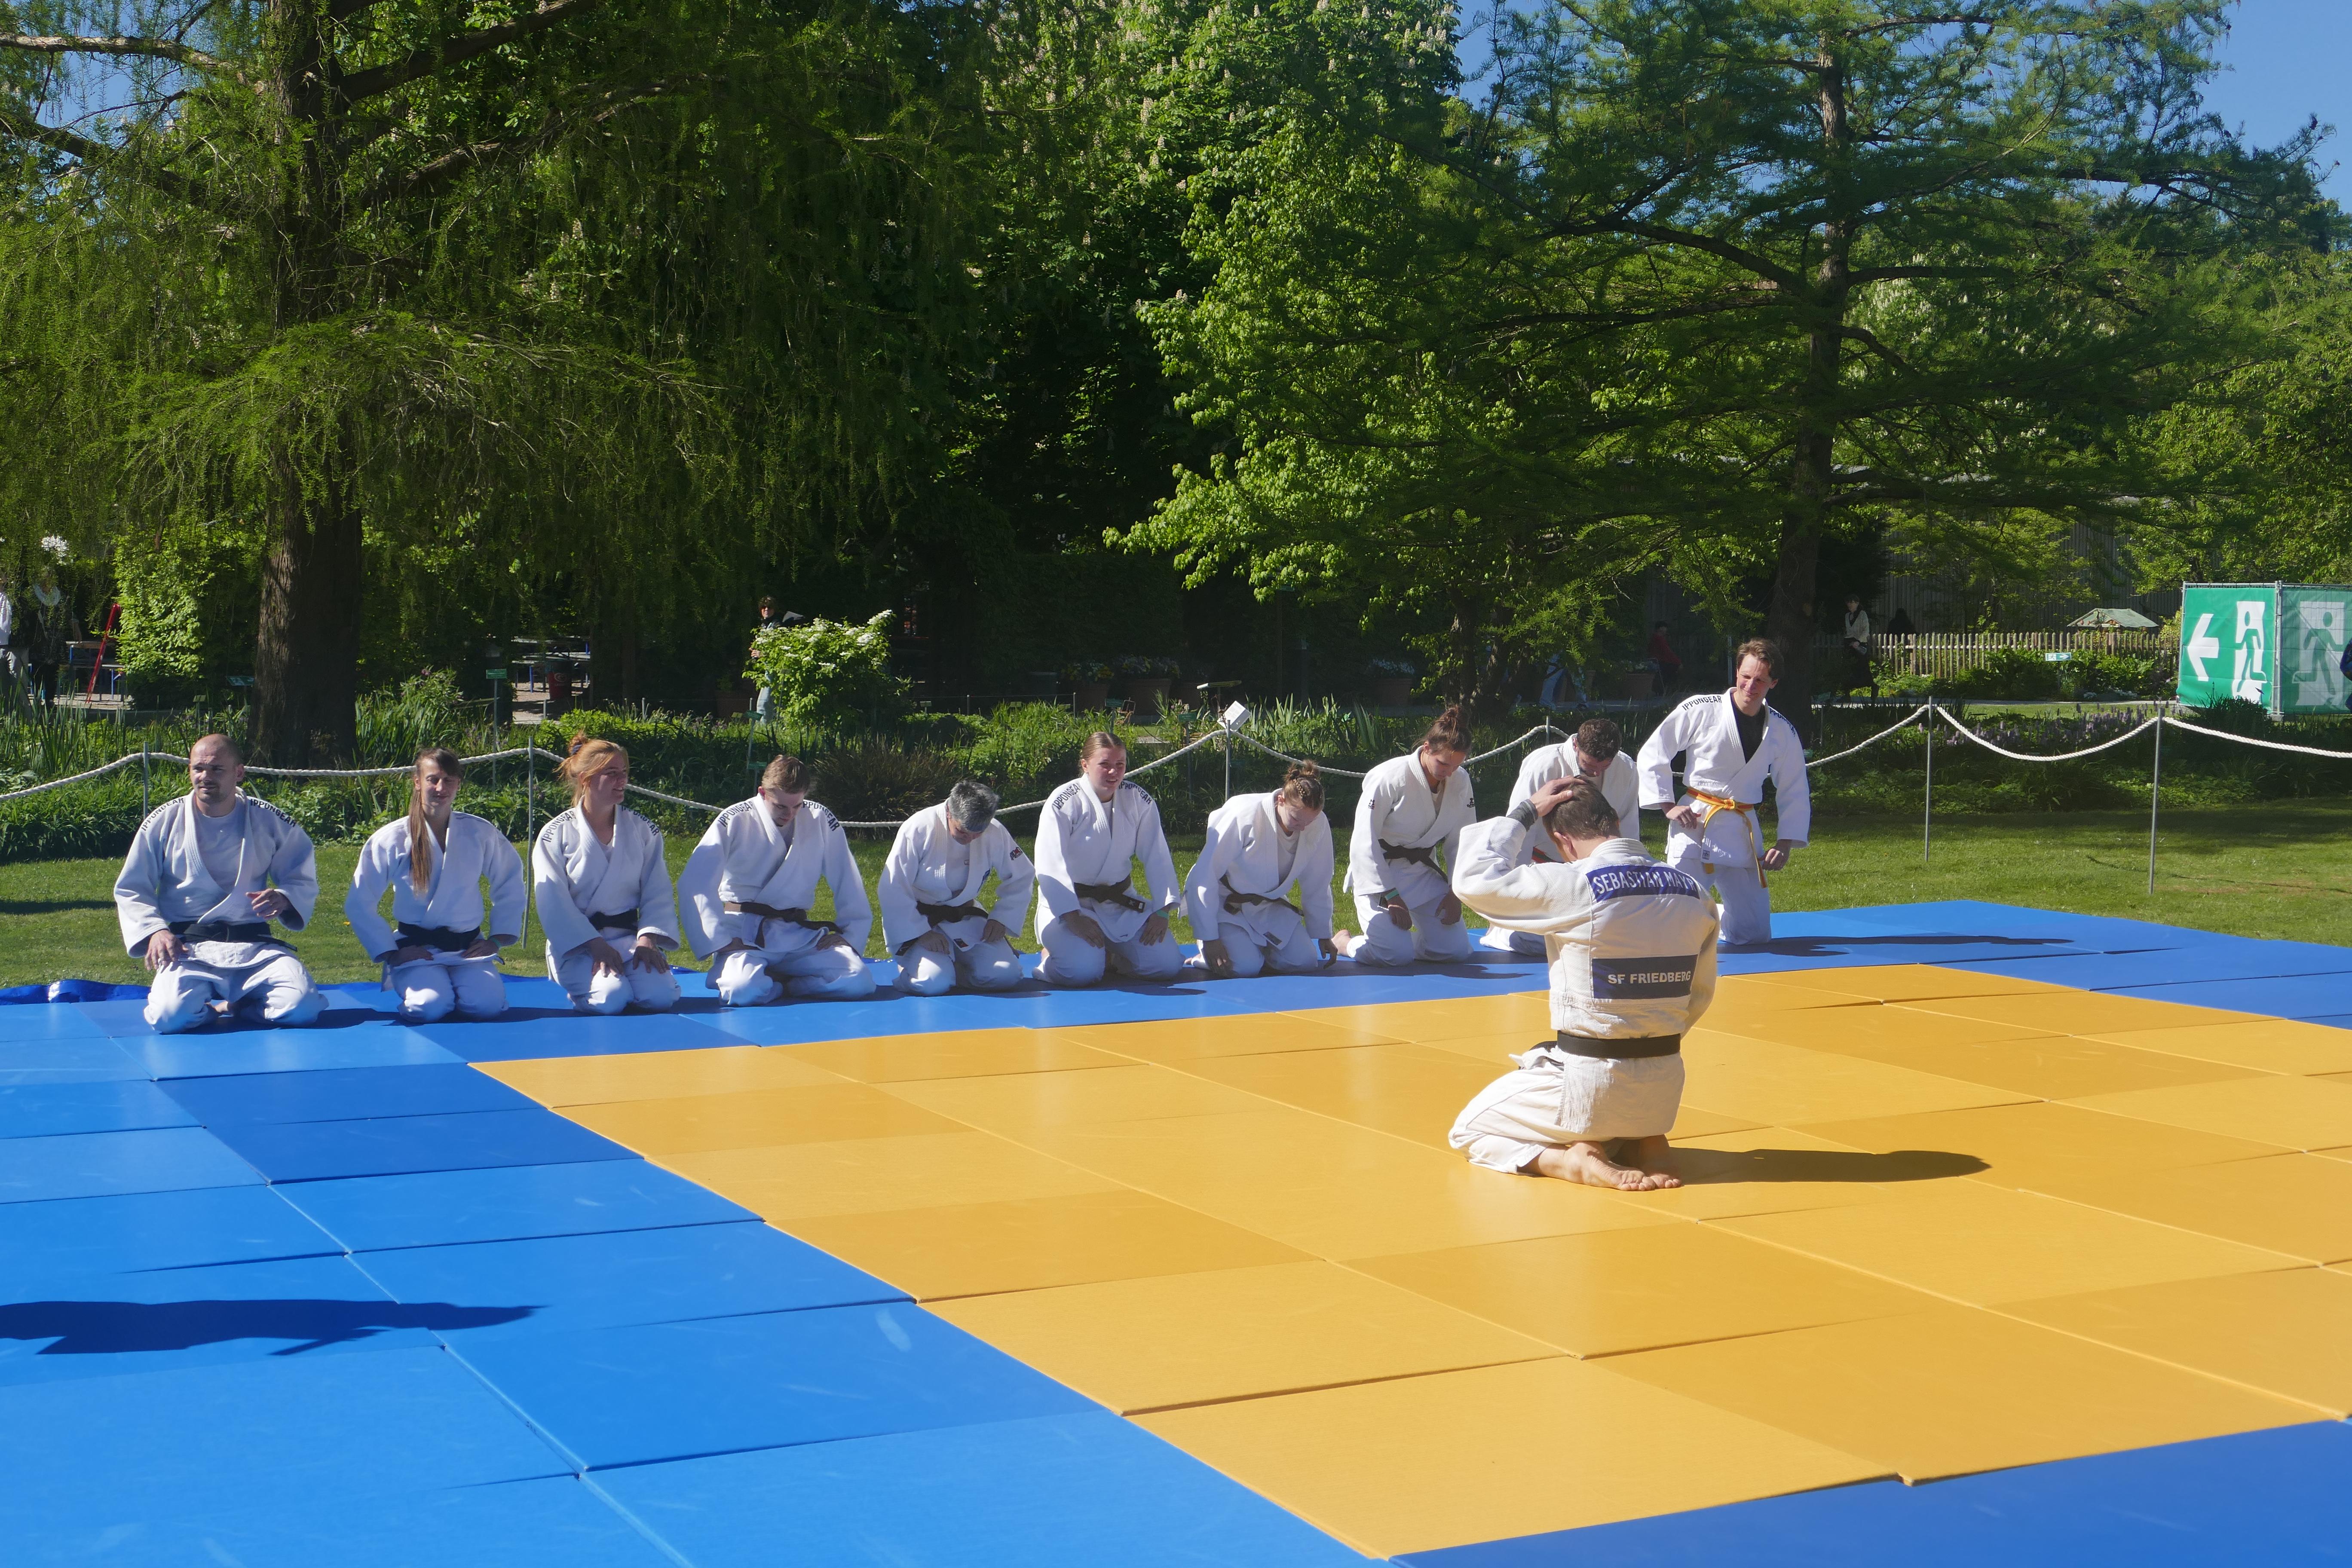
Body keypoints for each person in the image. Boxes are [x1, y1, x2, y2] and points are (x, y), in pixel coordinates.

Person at [1447, 775, 1718, 1190]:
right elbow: (1698, 996)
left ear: (1563, 841)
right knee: (1634, 1051)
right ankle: (1645, 1140)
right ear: (1613, 821)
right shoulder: (1695, 893)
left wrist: (1523, 813)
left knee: (1468, 1131)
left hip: (1588, 1087)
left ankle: (1570, 1161)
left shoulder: (1575, 885)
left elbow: (1474, 879)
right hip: (1663, 1087)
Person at [114, 734, 326, 1033]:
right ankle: (208, 1012)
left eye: (216, 769)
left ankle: (240, 1007)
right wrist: (156, 930)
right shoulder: (164, 820)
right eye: (198, 769)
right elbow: (132, 888)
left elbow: (300, 873)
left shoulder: (267, 819)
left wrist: (285, 897)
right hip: (188, 949)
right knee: (169, 1017)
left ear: (239, 772)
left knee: (302, 1008)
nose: (205, 777)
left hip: (254, 946)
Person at [1634, 637, 1809, 945]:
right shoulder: (1701, 709)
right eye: (1745, 676)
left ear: (1773, 683)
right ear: (1737, 672)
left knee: (1753, 934)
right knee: (1676, 931)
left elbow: (1794, 786)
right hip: (1696, 822)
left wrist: (1785, 843)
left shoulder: (1781, 729)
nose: (1750, 686)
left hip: (1743, 828)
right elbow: (1654, 752)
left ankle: (1708, 912)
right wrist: (1667, 805)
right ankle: (1692, 910)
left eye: (1760, 680)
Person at [345, 749, 526, 1023]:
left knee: (487, 1006)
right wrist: (392, 953)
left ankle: (457, 991)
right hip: (417, 949)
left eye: (449, 781)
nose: (441, 788)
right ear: (417, 782)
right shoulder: (391, 839)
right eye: (433, 780)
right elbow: (359, 901)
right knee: (428, 1007)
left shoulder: (479, 832)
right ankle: (437, 992)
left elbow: (510, 880)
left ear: (458, 785)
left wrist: (497, 939)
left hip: (468, 947)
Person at [677, 754, 875, 1005]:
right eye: (781, 806)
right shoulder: (736, 818)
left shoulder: (819, 818)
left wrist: (851, 933)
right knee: (741, 990)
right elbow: (695, 882)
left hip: (796, 934)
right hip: (744, 932)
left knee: (858, 980)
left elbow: (847, 877)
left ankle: (784, 985)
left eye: (797, 805)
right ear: (763, 793)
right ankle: (769, 981)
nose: (789, 814)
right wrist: (720, 941)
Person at [533, 737, 682, 1013]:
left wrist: (648, 939)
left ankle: (630, 982)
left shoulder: (642, 830)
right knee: (611, 998)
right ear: (586, 779)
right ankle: (585, 993)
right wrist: (595, 945)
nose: (621, 781)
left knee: (661, 998)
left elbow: (657, 891)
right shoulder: (556, 834)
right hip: (579, 946)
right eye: (611, 774)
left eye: (623, 773)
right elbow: (553, 902)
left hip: (630, 942)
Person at [1482, 717, 1642, 956]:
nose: (1596, 772)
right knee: (1537, 941)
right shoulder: (1544, 765)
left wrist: (1630, 879)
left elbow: (1628, 827)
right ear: (1576, 745)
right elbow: (1519, 828)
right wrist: (1513, 899)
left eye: (1604, 767)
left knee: (1620, 936)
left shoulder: (1626, 769)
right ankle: (1503, 933)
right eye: (1590, 766)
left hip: (1596, 871)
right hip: (1543, 867)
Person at [1033, 732, 1184, 986]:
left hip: (1119, 904)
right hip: (1070, 906)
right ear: (1085, 765)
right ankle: (1049, 961)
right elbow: (1049, 863)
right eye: (1105, 764)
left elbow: (1157, 855)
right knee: (1082, 972)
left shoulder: (1138, 799)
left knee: (1166, 965)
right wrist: (1072, 917)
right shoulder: (1064, 802)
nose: (1114, 772)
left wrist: (1163, 910)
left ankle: (1114, 959)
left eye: (1120, 765)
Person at [1339, 707, 1477, 967]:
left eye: (1457, 765)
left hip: (1421, 873)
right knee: (1393, 956)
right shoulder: (1389, 777)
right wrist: (1390, 895)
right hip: (1382, 872)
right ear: (1427, 748)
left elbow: (1464, 839)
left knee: (1455, 951)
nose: (1449, 772)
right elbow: (1363, 839)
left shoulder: (1460, 780)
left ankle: (1399, 942)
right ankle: (1347, 943)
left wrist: (1455, 892)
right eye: (1444, 764)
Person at [1185, 760, 1340, 978]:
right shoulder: (1244, 814)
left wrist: (1324, 934)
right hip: (1224, 903)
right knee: (1244, 968)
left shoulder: (1316, 823)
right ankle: (1206, 956)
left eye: (1310, 820)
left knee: (1304, 962)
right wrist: (1209, 938)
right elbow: (1205, 875)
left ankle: (1256, 952)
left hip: (1267, 906)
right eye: (1297, 819)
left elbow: (1318, 881)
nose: (1303, 827)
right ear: (1281, 800)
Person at [879, 779, 1034, 995]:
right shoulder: (919, 828)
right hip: (919, 919)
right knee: (932, 982)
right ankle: (913, 969)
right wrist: (920, 933)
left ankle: (957, 972)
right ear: (950, 812)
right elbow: (893, 886)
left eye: (977, 834)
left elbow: (1022, 874)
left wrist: (1003, 918)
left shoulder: (994, 831)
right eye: (963, 832)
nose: (970, 839)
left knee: (1006, 975)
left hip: (965, 916)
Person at [1841, 596, 1874, 696]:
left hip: (1860, 645)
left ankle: (1873, 687)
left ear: (1857, 603)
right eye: (1848, 603)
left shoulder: (1862, 614)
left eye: (1852, 603)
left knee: (1862, 668)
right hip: (1849, 644)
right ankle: (1846, 694)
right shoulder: (1847, 616)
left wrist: (1859, 641)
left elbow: (1866, 630)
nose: (1850, 605)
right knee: (1847, 668)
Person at [1647, 622, 1683, 692]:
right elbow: (1668, 653)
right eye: (1665, 628)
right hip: (1660, 662)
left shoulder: (1655, 638)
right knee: (1676, 669)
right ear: (1661, 629)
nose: (1666, 630)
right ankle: (1669, 688)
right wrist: (1679, 663)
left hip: (1657, 661)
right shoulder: (1659, 639)